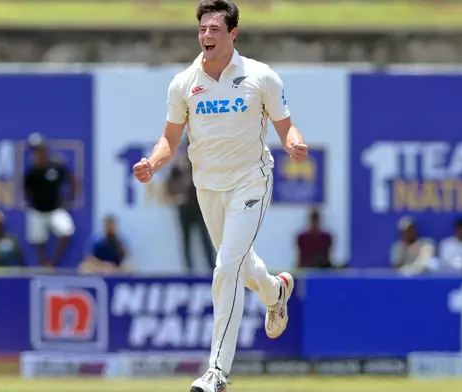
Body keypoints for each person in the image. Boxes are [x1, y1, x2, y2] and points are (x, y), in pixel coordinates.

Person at [132, 1, 309, 390]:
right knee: (243, 268)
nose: (207, 36)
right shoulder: (184, 82)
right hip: (208, 187)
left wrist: (295, 145)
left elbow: (286, 128)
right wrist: (153, 163)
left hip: (251, 182)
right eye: (202, 29)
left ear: (233, 33)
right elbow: (170, 138)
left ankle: (216, 371)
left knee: (225, 269)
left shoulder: (261, 77)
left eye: (215, 29)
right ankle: (276, 289)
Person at [23, 133, 77, 269]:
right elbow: (25, 190)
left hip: (55, 209)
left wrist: (69, 197)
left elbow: (72, 179)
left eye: (39, 149)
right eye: (35, 150)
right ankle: (44, 266)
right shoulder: (32, 171)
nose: (37, 153)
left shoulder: (56, 165)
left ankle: (53, 262)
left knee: (66, 231)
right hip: (37, 209)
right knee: (39, 240)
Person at [166, 136, 216, 273]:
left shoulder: (204, 165)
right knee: (186, 239)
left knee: (206, 238)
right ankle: (189, 271)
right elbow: (169, 186)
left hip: (200, 207)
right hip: (184, 208)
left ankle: (212, 269)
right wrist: (176, 197)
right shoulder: (178, 165)